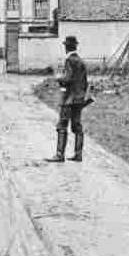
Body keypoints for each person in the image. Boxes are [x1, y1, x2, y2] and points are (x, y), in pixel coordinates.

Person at [46, 35, 88, 163]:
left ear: (66, 47)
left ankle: (59, 155)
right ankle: (78, 154)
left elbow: (68, 78)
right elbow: (85, 82)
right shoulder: (81, 61)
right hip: (79, 99)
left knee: (62, 125)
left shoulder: (69, 60)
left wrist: (59, 78)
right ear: (75, 46)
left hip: (69, 99)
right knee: (77, 126)